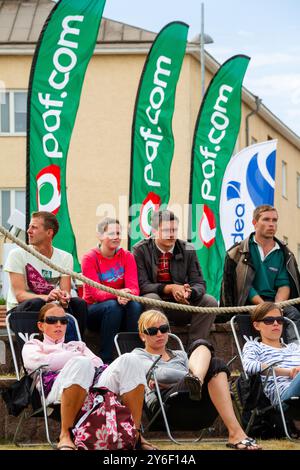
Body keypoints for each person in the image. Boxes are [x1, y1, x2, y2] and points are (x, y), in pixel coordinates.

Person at [22, 303, 156, 450]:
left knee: (131, 359)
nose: (58, 324)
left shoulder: (76, 345)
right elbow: (45, 363)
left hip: (93, 387)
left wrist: (71, 357)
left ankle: (135, 434)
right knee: (82, 362)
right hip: (55, 390)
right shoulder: (33, 345)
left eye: (63, 321)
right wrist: (75, 356)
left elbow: (97, 363)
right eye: (52, 320)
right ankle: (65, 435)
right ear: (41, 326)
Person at [130, 309, 261, 450]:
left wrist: (194, 376)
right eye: (152, 331)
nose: (160, 334)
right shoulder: (138, 355)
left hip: (196, 402)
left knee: (202, 346)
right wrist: (189, 375)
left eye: (163, 329)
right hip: (168, 406)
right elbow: (162, 375)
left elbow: (167, 378)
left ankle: (197, 379)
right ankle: (235, 433)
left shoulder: (180, 355)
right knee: (213, 365)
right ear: (143, 336)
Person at [133, 210, 217, 346]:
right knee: (151, 298)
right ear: (154, 231)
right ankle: (168, 346)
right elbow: (142, 285)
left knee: (210, 301)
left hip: (183, 304)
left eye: (174, 230)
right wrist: (170, 288)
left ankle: (196, 347)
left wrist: (190, 292)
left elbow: (199, 282)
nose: (171, 234)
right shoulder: (140, 250)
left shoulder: (188, 248)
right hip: (155, 306)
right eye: (166, 230)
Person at [4, 211, 87, 340]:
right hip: (19, 312)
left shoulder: (65, 257)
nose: (28, 231)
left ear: (49, 232)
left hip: (50, 309)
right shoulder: (17, 254)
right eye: (30, 226)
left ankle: (75, 346)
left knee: (79, 304)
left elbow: (65, 292)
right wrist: (47, 297)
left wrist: (64, 298)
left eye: (34, 227)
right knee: (38, 302)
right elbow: (20, 295)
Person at [221, 204, 300, 338]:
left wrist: (276, 307)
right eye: (266, 219)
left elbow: (284, 285)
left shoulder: (285, 253)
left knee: (293, 314)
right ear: (254, 223)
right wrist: (265, 308)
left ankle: (295, 353)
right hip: (247, 304)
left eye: (274, 220)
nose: (271, 224)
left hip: (276, 303)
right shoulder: (237, 252)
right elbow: (245, 287)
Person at [81, 217, 142, 364]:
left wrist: (126, 295)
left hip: (120, 304)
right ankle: (106, 359)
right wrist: (118, 295)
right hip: (94, 309)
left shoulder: (127, 256)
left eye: (118, 233)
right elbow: (96, 293)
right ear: (100, 236)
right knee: (113, 307)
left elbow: (134, 288)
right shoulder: (89, 258)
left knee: (135, 305)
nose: (116, 237)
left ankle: (133, 356)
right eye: (111, 233)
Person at [242, 302, 300, 432]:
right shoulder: (254, 346)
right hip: (285, 397)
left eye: (279, 320)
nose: (275, 324)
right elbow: (249, 367)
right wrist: (289, 372)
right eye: (269, 320)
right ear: (256, 325)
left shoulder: (294, 347)